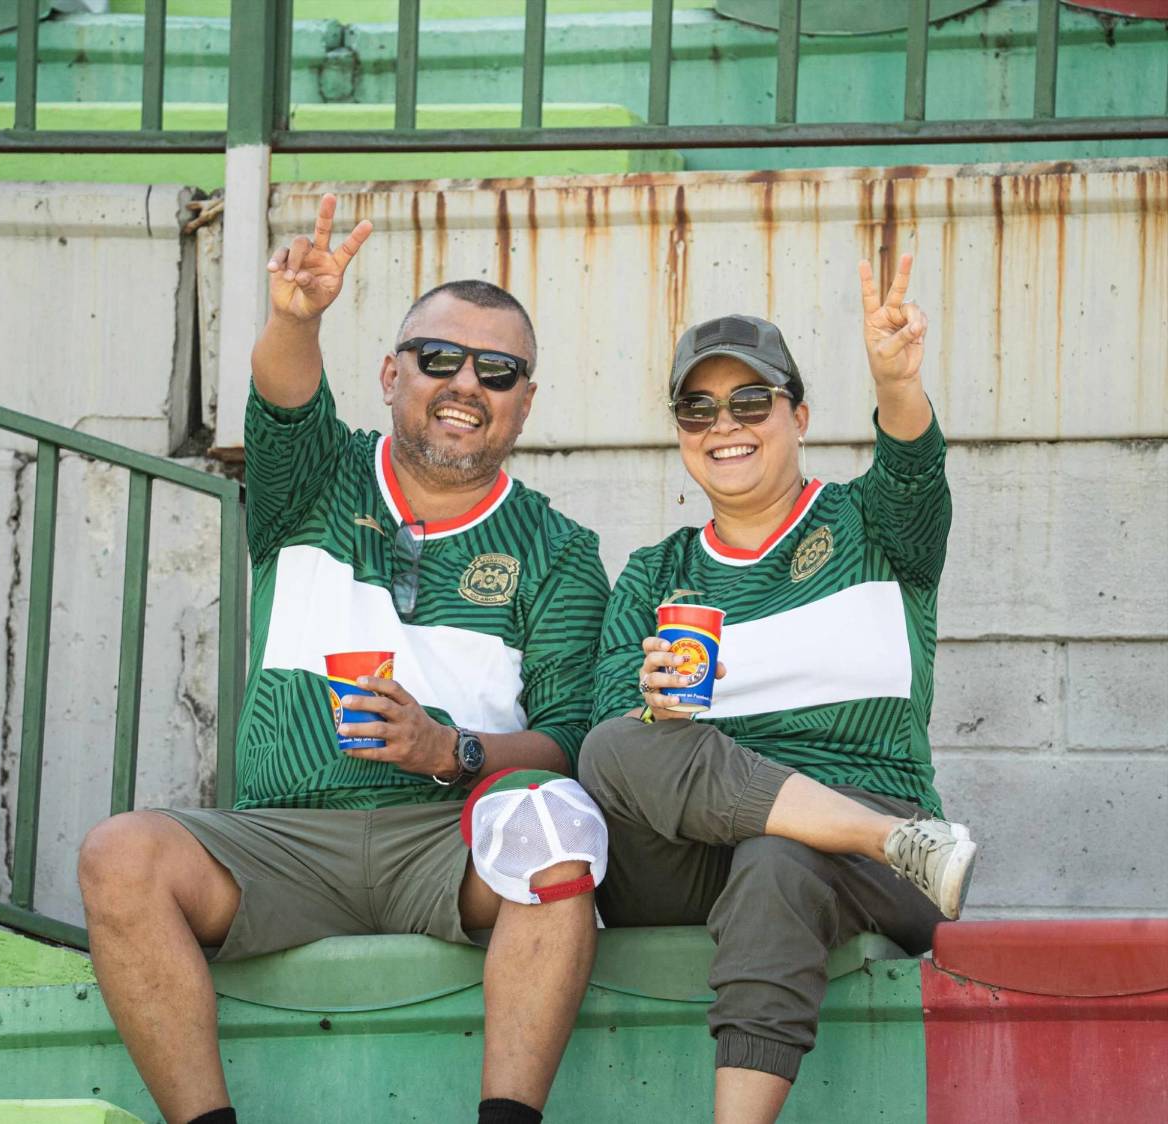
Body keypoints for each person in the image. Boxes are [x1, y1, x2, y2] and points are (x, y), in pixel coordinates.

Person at [78, 194, 611, 1124]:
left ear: (526, 400)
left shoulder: (560, 549)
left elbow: (568, 740)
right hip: (284, 839)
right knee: (120, 854)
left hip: (446, 840)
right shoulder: (316, 477)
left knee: (560, 833)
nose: (464, 384)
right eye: (438, 359)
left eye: (497, 370)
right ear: (389, 373)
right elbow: (283, 396)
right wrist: (297, 318)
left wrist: (449, 750)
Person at [579, 254, 978, 1124]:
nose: (726, 424)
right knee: (612, 744)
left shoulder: (870, 524)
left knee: (778, 860)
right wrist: (654, 707)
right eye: (700, 407)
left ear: (799, 415)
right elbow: (611, 736)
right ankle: (899, 840)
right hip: (704, 853)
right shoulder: (657, 572)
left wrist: (897, 381)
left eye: (752, 401)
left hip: (849, 850)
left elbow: (914, 469)